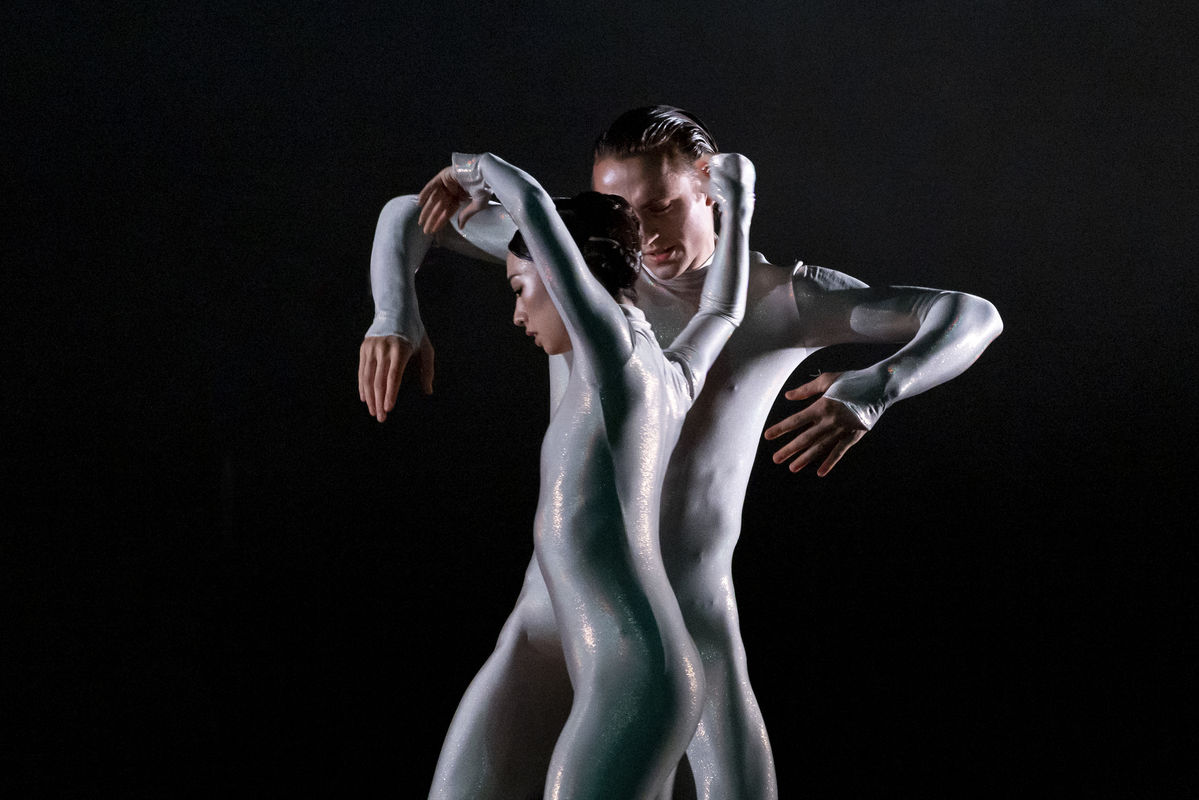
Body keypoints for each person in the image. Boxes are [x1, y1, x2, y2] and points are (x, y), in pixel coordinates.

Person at [359, 106, 1003, 799]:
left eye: (661, 207)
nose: (643, 233)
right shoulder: (585, 276)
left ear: (706, 189)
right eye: (623, 212)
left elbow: (972, 315)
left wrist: (878, 386)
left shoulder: (781, 299)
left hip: (681, 630)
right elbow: (409, 213)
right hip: (546, 619)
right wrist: (394, 312)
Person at [417, 150, 757, 800]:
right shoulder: (670, 373)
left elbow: (530, 203)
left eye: (521, 289)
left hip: (634, 678)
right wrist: (738, 207)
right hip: (628, 663)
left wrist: (470, 168)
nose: (517, 314)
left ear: (561, 275)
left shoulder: (613, 355)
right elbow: (723, 313)